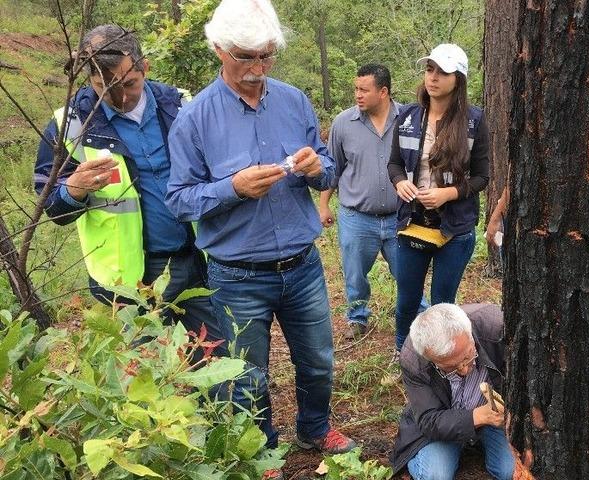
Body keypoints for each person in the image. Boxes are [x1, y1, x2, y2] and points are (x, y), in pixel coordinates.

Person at [165, 0, 355, 455]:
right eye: (244, 56)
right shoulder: (194, 118)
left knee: (317, 361)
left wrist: (316, 167)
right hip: (236, 276)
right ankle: (263, 447)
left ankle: (314, 428)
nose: (256, 67)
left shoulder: (293, 100)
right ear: (218, 49)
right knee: (248, 373)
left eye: (266, 55)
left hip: (303, 266)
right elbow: (178, 200)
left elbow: (328, 171)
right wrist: (232, 187)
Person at [33, 24, 221, 339]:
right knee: (143, 375)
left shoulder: (179, 106)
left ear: (144, 67)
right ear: (89, 79)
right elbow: (50, 204)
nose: (119, 97)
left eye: (129, 83)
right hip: (127, 283)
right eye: (103, 87)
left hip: (195, 261)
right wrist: (73, 190)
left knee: (217, 360)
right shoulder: (70, 125)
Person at [388, 44, 490, 353]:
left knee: (442, 303)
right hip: (413, 222)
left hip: (454, 228)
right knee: (407, 298)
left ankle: (439, 357)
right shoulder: (407, 116)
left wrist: (448, 193)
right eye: (429, 69)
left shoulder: (473, 121)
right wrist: (400, 182)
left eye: (442, 72)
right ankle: (404, 354)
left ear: (457, 79)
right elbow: (393, 162)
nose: (433, 77)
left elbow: (482, 176)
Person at [319, 64, 426, 340]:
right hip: (357, 216)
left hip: (400, 216)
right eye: (356, 89)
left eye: (364, 90)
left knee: (407, 271)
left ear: (383, 92)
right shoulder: (344, 123)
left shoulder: (410, 119)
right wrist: (323, 205)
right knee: (354, 274)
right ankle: (357, 318)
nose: (357, 95)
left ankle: (423, 317)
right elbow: (333, 168)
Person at [390, 303, 514, 480]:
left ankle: (477, 440)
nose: (464, 370)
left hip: (496, 418)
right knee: (435, 475)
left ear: (470, 336)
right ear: (430, 358)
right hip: (443, 423)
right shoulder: (414, 357)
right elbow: (429, 420)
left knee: (509, 471)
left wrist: (506, 412)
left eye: (467, 357)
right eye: (450, 368)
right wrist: (478, 416)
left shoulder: (497, 329)